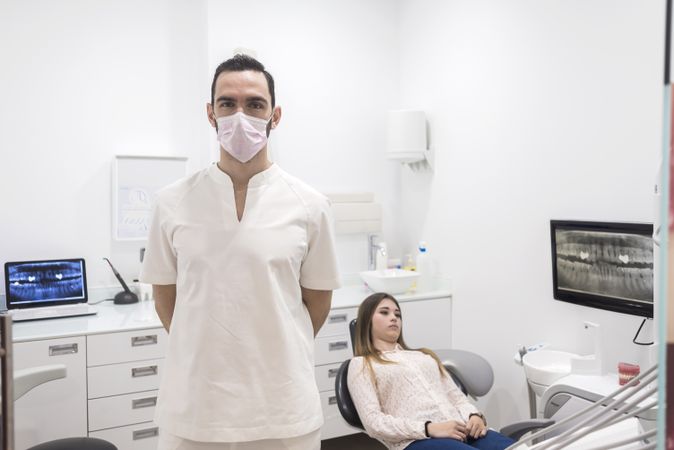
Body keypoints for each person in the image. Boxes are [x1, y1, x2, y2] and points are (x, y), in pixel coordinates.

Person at [141, 54, 341, 450]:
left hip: (282, 410)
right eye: (227, 104)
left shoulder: (310, 205)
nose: (240, 115)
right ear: (210, 114)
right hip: (194, 408)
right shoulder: (172, 202)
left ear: (275, 115)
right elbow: (166, 298)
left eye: (255, 104)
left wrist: (268, 339)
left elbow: (316, 303)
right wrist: (206, 343)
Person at [347, 293, 516, 450]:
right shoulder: (361, 364)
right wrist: (429, 428)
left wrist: (474, 415)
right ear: (367, 321)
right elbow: (374, 423)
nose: (393, 318)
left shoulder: (424, 356)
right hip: (419, 440)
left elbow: (456, 397)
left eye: (397, 315)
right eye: (384, 313)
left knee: (519, 447)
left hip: (462, 428)